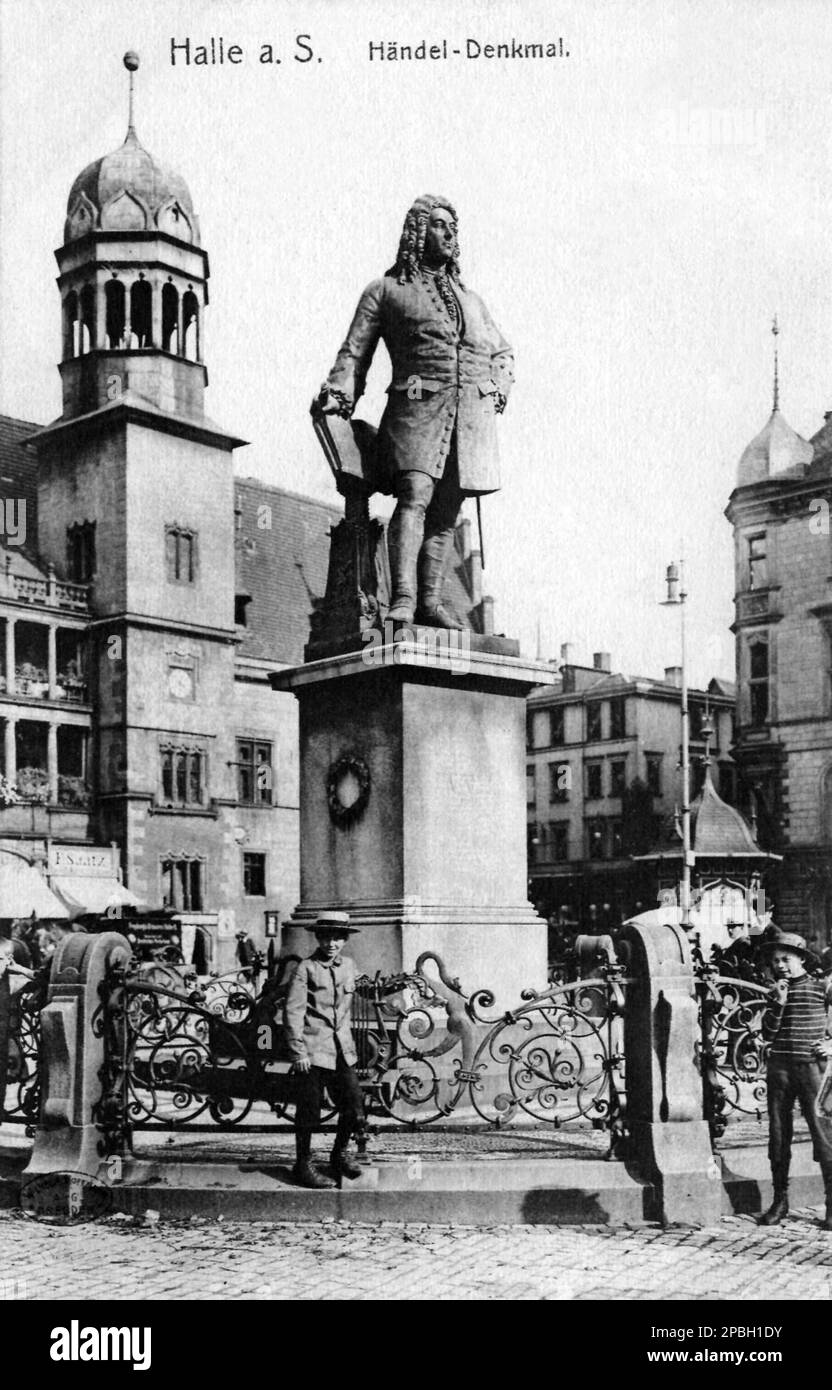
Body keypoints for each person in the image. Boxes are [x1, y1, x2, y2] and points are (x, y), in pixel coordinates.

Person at [320, 195, 514, 627]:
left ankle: (430, 601)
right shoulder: (386, 290)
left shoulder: (473, 301)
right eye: (441, 226)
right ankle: (403, 597)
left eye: (453, 228)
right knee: (414, 497)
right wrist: (338, 392)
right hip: (414, 414)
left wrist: (499, 383)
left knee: (446, 512)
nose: (450, 235)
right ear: (417, 232)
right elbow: (354, 354)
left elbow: (502, 351)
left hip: (466, 423)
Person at [283, 911, 366, 1189]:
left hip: (342, 1050)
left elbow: (366, 989)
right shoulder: (306, 968)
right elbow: (293, 1012)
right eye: (326, 937)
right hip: (313, 1051)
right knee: (309, 1110)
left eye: (338, 938)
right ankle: (303, 1165)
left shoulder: (350, 966)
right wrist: (298, 1053)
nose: (332, 943)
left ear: (344, 940)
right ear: (318, 938)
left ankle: (338, 1155)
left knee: (354, 1105)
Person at [757, 931, 832, 1229]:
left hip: (812, 1069)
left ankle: (831, 1204)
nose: (781, 965)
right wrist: (778, 1001)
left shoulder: (821, 988)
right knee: (778, 1136)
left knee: (825, 1137)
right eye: (775, 961)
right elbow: (767, 1033)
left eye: (786, 959)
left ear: (801, 959)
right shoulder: (775, 990)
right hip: (780, 1070)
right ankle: (780, 1201)